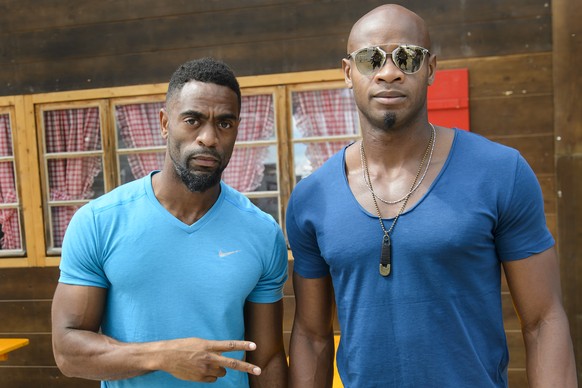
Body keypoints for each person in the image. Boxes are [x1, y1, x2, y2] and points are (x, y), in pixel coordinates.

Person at [286, 4, 577, 388]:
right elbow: (311, 336)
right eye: (370, 59)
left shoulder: (500, 172)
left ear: (431, 70)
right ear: (348, 72)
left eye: (407, 58)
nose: (389, 72)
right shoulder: (311, 199)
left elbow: (544, 322)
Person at [51, 57, 289, 387]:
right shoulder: (99, 222)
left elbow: (268, 357)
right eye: (192, 120)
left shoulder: (262, 233)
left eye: (224, 123)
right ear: (165, 123)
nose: (208, 137)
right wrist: (163, 356)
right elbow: (68, 352)